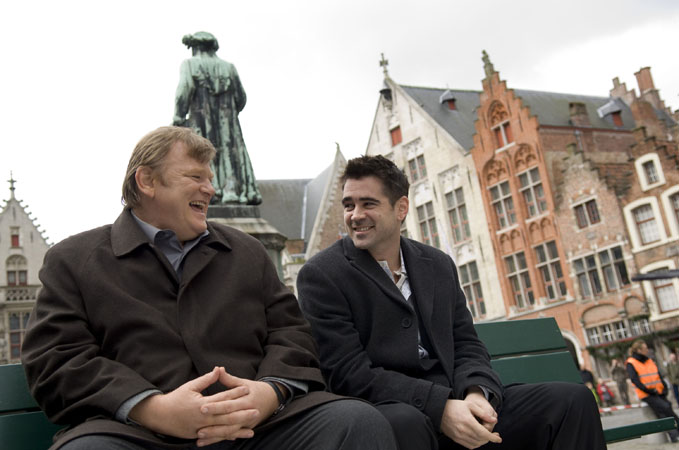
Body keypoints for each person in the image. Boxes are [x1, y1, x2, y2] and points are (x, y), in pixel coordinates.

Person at [21, 127, 397, 450]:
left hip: (259, 429)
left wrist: (270, 392)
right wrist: (152, 408)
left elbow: (291, 333)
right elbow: (57, 360)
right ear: (147, 181)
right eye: (196, 177)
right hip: (139, 434)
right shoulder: (73, 259)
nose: (211, 189)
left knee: (357, 423)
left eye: (210, 178)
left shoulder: (246, 251)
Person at [297, 155, 606, 450]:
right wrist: (440, 408)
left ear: (401, 207)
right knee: (406, 424)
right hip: (391, 410)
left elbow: (466, 344)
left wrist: (477, 393)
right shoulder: (322, 275)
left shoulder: (437, 264)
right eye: (348, 205)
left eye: (369, 204)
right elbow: (349, 374)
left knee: (572, 400)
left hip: (458, 398)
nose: (355, 215)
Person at [173, 31, 261, 205]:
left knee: (204, 153)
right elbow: (241, 97)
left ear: (195, 48)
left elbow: (184, 90)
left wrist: (178, 117)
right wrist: (228, 112)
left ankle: (213, 190)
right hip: (228, 124)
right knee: (230, 153)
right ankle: (232, 190)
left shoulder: (189, 64)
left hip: (200, 120)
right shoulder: (229, 67)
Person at [626, 340, 679, 442]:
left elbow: (657, 375)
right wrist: (648, 390)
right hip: (647, 394)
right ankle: (674, 435)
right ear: (639, 350)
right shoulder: (631, 363)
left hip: (658, 391)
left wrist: (663, 387)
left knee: (667, 408)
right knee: (664, 409)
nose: (647, 350)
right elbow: (635, 380)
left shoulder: (649, 360)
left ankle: (675, 434)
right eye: (645, 348)